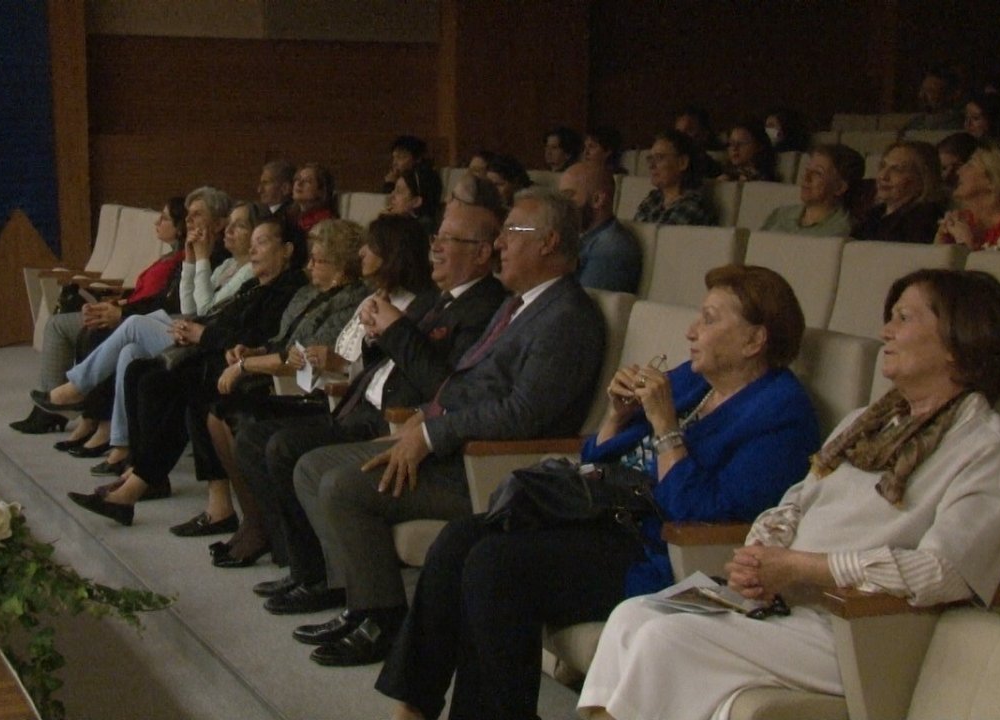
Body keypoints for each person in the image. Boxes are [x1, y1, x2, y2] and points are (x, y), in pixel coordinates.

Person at [578, 268, 1000, 720]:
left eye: (903, 319)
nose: (885, 332)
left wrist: (801, 567)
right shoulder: (866, 422)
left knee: (663, 640)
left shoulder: (987, 445)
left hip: (861, 629)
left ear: (958, 342)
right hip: (786, 604)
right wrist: (762, 553)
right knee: (632, 617)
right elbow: (795, 502)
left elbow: (943, 572)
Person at [377, 265, 821, 720]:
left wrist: (666, 427)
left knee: (496, 565)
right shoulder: (693, 379)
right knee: (458, 541)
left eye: (709, 320)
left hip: (659, 551)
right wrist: (617, 417)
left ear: (754, 340)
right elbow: (596, 461)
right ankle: (413, 709)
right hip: (604, 515)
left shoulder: (781, 414)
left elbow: (701, 516)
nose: (692, 331)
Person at [280, 189, 606, 668]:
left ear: (548, 242)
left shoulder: (567, 317)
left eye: (511, 234)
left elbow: (522, 414)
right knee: (310, 467)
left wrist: (434, 433)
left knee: (343, 485)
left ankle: (383, 618)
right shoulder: (520, 305)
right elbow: (465, 383)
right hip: (447, 441)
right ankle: (359, 602)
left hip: (488, 467)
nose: (500, 246)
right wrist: (422, 420)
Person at [233, 207, 506, 590]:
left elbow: (444, 386)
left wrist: (395, 330)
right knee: (254, 435)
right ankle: (309, 572)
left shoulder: (485, 306)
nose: (437, 249)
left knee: (288, 450)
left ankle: (326, 582)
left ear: (481, 253)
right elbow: (388, 365)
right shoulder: (440, 301)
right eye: (435, 239)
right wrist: (378, 338)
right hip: (358, 405)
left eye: (449, 241)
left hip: (396, 422)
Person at [196, 215, 436, 565]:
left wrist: (334, 365)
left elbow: (386, 371)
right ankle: (277, 541)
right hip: (337, 394)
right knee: (232, 415)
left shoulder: (409, 306)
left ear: (394, 254)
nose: (363, 253)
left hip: (358, 405)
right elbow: (346, 360)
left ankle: (305, 562)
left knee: (275, 440)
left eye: (372, 247)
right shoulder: (364, 299)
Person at [59, 216, 308, 525]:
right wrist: (192, 329)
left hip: (244, 369)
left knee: (186, 386)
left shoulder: (290, 288)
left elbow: (258, 340)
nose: (254, 250)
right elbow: (218, 319)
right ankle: (144, 475)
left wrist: (202, 335)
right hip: (214, 357)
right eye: (252, 243)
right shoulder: (252, 285)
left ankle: (156, 490)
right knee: (143, 373)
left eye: (263, 242)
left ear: (286, 250)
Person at [34, 200, 261, 475]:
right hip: (187, 326)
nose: (230, 231)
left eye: (240, 226)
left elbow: (202, 310)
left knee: (132, 325)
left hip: (202, 339)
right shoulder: (227, 265)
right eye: (232, 224)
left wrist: (201, 258)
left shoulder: (249, 272)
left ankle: (76, 387)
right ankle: (122, 446)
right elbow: (188, 306)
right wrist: (191, 259)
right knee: (130, 352)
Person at [11, 195, 190, 435]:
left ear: (180, 227)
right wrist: (113, 303)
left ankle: (60, 408)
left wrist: (118, 308)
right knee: (75, 325)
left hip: (141, 318)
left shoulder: (181, 262)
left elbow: (160, 303)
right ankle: (60, 406)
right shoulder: (168, 257)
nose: (157, 223)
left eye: (165, 218)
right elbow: (140, 295)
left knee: (63, 326)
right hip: (125, 309)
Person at [558, 160, 642, 293]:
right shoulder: (579, 238)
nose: (562, 205)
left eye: (568, 196)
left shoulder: (612, 246)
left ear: (597, 200)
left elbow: (583, 306)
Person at [854, 141, 947, 243]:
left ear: (923, 179)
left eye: (897, 169)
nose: (883, 176)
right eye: (883, 166)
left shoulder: (924, 221)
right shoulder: (873, 215)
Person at [762, 144, 864, 236]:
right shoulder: (781, 214)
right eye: (807, 170)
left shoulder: (842, 230)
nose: (806, 178)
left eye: (817, 173)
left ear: (839, 187)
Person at [633, 130, 718, 226]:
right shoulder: (653, 199)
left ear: (682, 163)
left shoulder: (693, 205)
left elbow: (663, 239)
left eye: (659, 158)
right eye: (650, 159)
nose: (651, 166)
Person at [903, 65, 965, 132]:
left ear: (951, 95)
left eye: (930, 91)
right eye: (922, 90)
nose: (921, 96)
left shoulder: (962, 126)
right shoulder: (914, 124)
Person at [385, 167, 443, 234]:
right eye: (394, 190)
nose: (391, 196)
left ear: (416, 202)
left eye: (399, 191)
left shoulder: (415, 233)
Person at [290, 163, 337, 234]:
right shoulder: (289, 215)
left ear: (321, 191)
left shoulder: (324, 222)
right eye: (297, 179)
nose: (299, 183)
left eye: (307, 181)